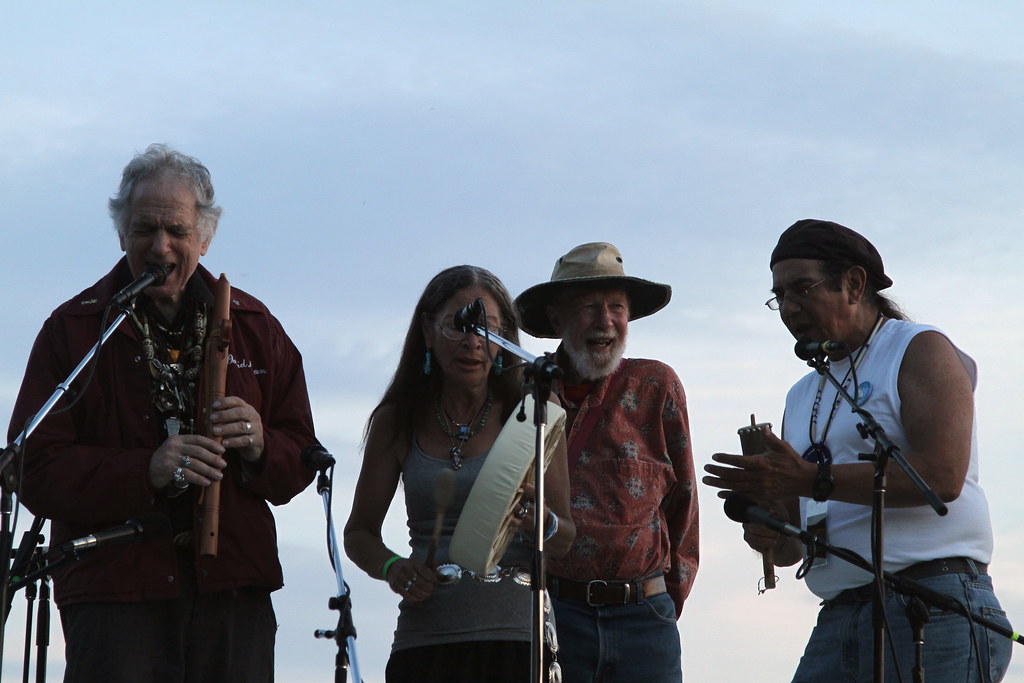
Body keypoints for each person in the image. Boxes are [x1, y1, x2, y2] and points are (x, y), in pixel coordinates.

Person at [6, 144, 317, 683]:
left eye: (174, 230)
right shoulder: (77, 329)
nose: (160, 246)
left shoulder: (255, 325)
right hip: (115, 594)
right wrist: (145, 470)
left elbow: (304, 457)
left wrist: (262, 444)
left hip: (232, 589)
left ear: (205, 236)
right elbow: (32, 463)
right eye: (145, 230)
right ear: (122, 234)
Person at [703, 219, 1013, 682]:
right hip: (841, 611)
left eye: (802, 288)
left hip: (934, 605)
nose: (789, 307)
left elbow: (942, 478)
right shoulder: (802, 392)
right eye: (779, 295)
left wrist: (807, 479)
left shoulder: (918, 348)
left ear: (853, 283)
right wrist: (770, 529)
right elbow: (792, 549)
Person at [343, 265, 575, 683]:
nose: (472, 342)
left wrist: (541, 523)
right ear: (428, 332)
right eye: (458, 325)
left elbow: (566, 537)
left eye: (486, 328)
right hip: (425, 642)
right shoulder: (397, 421)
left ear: (504, 338)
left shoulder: (534, 412)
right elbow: (358, 534)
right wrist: (393, 567)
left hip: (518, 641)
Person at [514, 242, 699, 683]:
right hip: (553, 616)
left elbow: (684, 504)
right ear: (557, 318)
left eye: (617, 307)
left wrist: (666, 604)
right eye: (587, 307)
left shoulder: (656, 385)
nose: (606, 322)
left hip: (645, 619)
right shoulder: (524, 391)